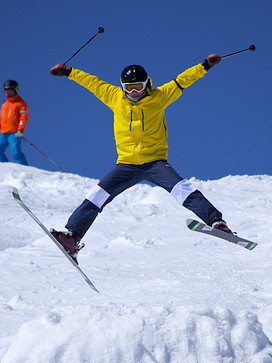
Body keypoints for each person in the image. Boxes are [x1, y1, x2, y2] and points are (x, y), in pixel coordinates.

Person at [49, 54, 232, 262]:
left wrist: (205, 66)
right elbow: (92, 83)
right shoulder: (114, 96)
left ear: (147, 84)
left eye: (138, 87)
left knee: (182, 189)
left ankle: (216, 221)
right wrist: (69, 72)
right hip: (126, 164)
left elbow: (182, 80)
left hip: (155, 162)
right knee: (97, 195)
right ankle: (71, 237)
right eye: (129, 88)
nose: (134, 92)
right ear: (123, 87)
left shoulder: (159, 97)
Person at [0, 79, 29, 165]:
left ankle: (24, 169)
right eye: (6, 91)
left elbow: (24, 117)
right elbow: (0, 120)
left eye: (10, 91)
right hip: (4, 133)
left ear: (15, 90)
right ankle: (4, 167)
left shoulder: (20, 103)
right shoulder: (4, 105)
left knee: (15, 152)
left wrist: (20, 130)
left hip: (14, 133)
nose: (8, 94)